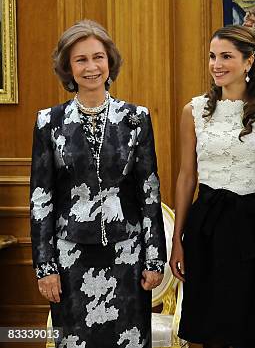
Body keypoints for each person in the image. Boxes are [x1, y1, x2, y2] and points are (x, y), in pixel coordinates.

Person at [30, 19, 166, 347]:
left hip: (128, 255)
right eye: (81, 60)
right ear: (68, 67)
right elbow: (40, 198)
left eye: (98, 57)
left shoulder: (137, 118)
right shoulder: (48, 122)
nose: (91, 67)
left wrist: (155, 258)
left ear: (109, 61)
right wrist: (44, 265)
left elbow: (149, 190)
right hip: (69, 257)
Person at [169, 25, 255, 348]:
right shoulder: (193, 111)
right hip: (205, 227)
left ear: (249, 61)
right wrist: (177, 240)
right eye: (212, 57)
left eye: (226, 56)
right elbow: (186, 177)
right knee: (206, 330)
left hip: (253, 228)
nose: (216, 64)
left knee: (252, 328)